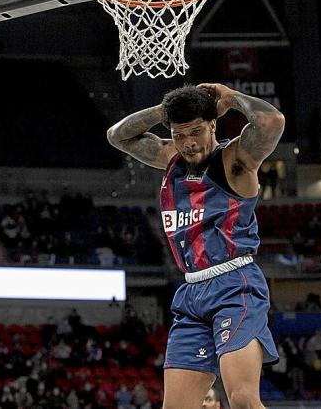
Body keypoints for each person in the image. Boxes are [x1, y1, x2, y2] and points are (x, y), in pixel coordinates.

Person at [107, 83, 284, 409]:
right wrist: (163, 111)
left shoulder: (235, 160)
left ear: (213, 124)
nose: (188, 143)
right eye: (178, 134)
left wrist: (230, 98)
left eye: (197, 131)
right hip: (191, 293)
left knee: (243, 399)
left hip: (235, 285)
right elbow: (117, 135)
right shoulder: (171, 157)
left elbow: (272, 122)